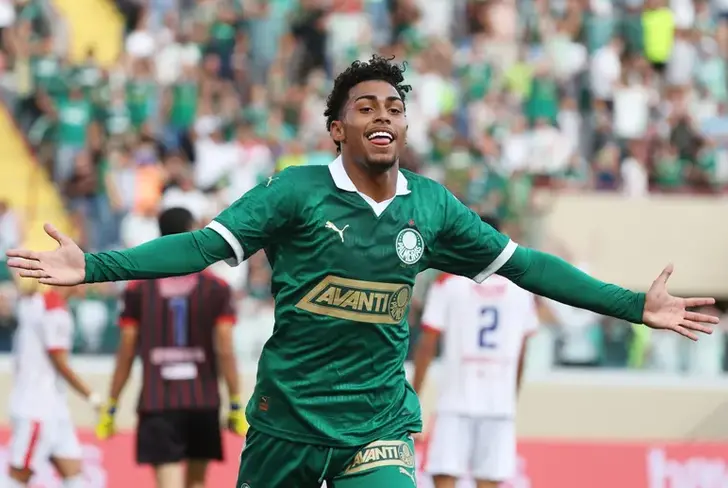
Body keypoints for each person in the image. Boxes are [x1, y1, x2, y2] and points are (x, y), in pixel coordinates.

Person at [6, 55, 718, 488]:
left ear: (405, 126)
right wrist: (92, 265)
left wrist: (633, 305)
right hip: (286, 423)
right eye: (366, 106)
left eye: (395, 108)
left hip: (377, 425)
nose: (384, 116)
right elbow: (199, 249)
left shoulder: (432, 208)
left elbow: (526, 266)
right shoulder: (294, 192)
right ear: (337, 128)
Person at [93, 207, 247, 488]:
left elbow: (127, 349)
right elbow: (225, 348)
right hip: (202, 399)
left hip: (158, 400)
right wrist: (235, 401)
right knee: (197, 482)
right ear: (191, 231)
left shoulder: (138, 289)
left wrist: (112, 403)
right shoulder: (216, 288)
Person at [412, 216, 538, 488]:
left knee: (444, 475)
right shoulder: (520, 289)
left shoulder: (449, 283)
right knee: (488, 480)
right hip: (498, 404)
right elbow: (522, 352)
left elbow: (427, 344)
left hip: (455, 401)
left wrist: (414, 397)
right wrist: (511, 397)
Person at [5, 284, 101, 488]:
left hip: (53, 406)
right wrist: (92, 396)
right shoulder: (55, 312)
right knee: (18, 477)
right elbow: (60, 362)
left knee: (73, 472)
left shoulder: (34, 303)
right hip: (37, 408)